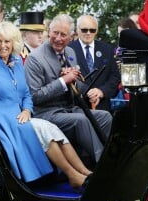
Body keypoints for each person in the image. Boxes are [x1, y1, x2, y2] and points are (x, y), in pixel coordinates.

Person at [0, 21, 91, 190]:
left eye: (7, 41)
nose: (3, 45)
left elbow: (26, 94)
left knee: (51, 129)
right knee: (45, 129)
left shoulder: (17, 62)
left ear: (14, 43)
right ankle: (73, 175)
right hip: (1, 120)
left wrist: (26, 110)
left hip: (19, 116)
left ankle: (85, 172)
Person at [24, 14, 112, 165]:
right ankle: (103, 164)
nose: (58, 38)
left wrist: (77, 82)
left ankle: (109, 156)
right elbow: (35, 97)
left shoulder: (70, 53)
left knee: (105, 116)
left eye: (63, 35)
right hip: (46, 113)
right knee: (81, 120)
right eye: (55, 33)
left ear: (71, 37)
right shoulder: (35, 58)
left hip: (69, 109)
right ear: (49, 31)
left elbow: (75, 85)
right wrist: (63, 81)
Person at [69, 15, 121, 112]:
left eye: (92, 30)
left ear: (96, 31)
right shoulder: (68, 49)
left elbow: (115, 76)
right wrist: (87, 92)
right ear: (78, 30)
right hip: (77, 107)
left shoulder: (107, 49)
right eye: (84, 30)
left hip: (102, 106)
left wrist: (101, 91)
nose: (88, 33)